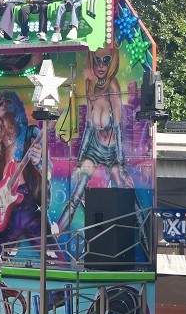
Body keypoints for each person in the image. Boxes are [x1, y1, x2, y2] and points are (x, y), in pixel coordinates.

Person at [57, 48, 133, 231]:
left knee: (123, 189)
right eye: (97, 60)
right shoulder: (90, 84)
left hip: (112, 151)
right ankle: (56, 234)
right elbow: (89, 126)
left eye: (106, 60)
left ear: (112, 63)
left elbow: (118, 126)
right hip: (94, 148)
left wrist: (120, 162)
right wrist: (80, 159)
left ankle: (136, 237)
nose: (101, 65)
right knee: (78, 191)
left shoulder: (112, 86)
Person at [0, 91, 54, 259]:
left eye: (9, 101)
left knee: (53, 256)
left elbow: (49, 170)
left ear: (17, 106)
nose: (4, 104)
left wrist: (38, 162)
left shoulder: (32, 133)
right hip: (5, 206)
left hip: (29, 203)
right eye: (0, 103)